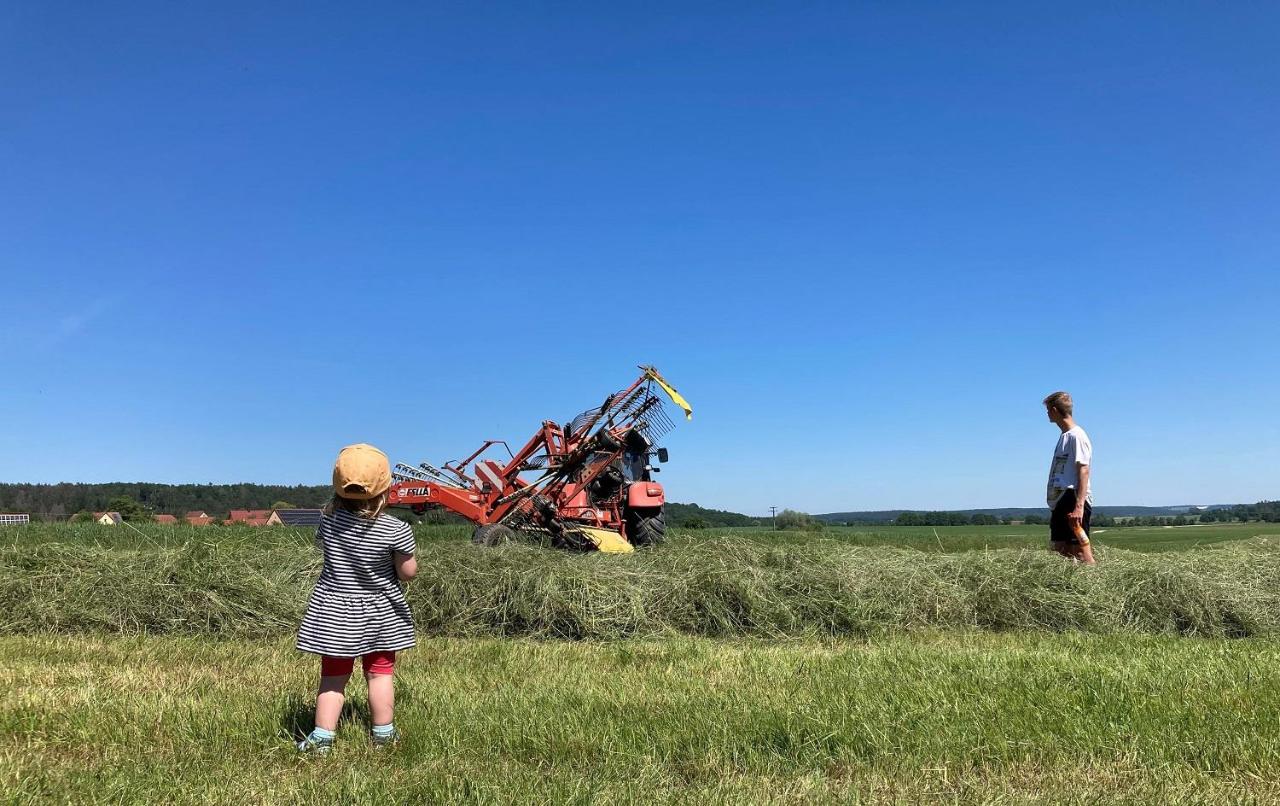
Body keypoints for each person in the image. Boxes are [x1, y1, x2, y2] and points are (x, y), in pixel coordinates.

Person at [296, 443, 418, 753]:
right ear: (386, 487)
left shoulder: (328, 522)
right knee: (379, 675)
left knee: (333, 679)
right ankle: (383, 734)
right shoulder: (397, 529)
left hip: (334, 610)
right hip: (380, 611)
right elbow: (407, 573)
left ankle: (322, 737)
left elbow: (326, 549)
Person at [1044, 391, 1096, 564]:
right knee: (1060, 551)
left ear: (1054, 410)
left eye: (1047, 410)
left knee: (1080, 552)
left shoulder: (1077, 436)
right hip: (1061, 499)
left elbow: (1084, 470)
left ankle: (1096, 587)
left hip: (1073, 498)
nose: (1047, 414)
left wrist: (1079, 507)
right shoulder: (1064, 436)